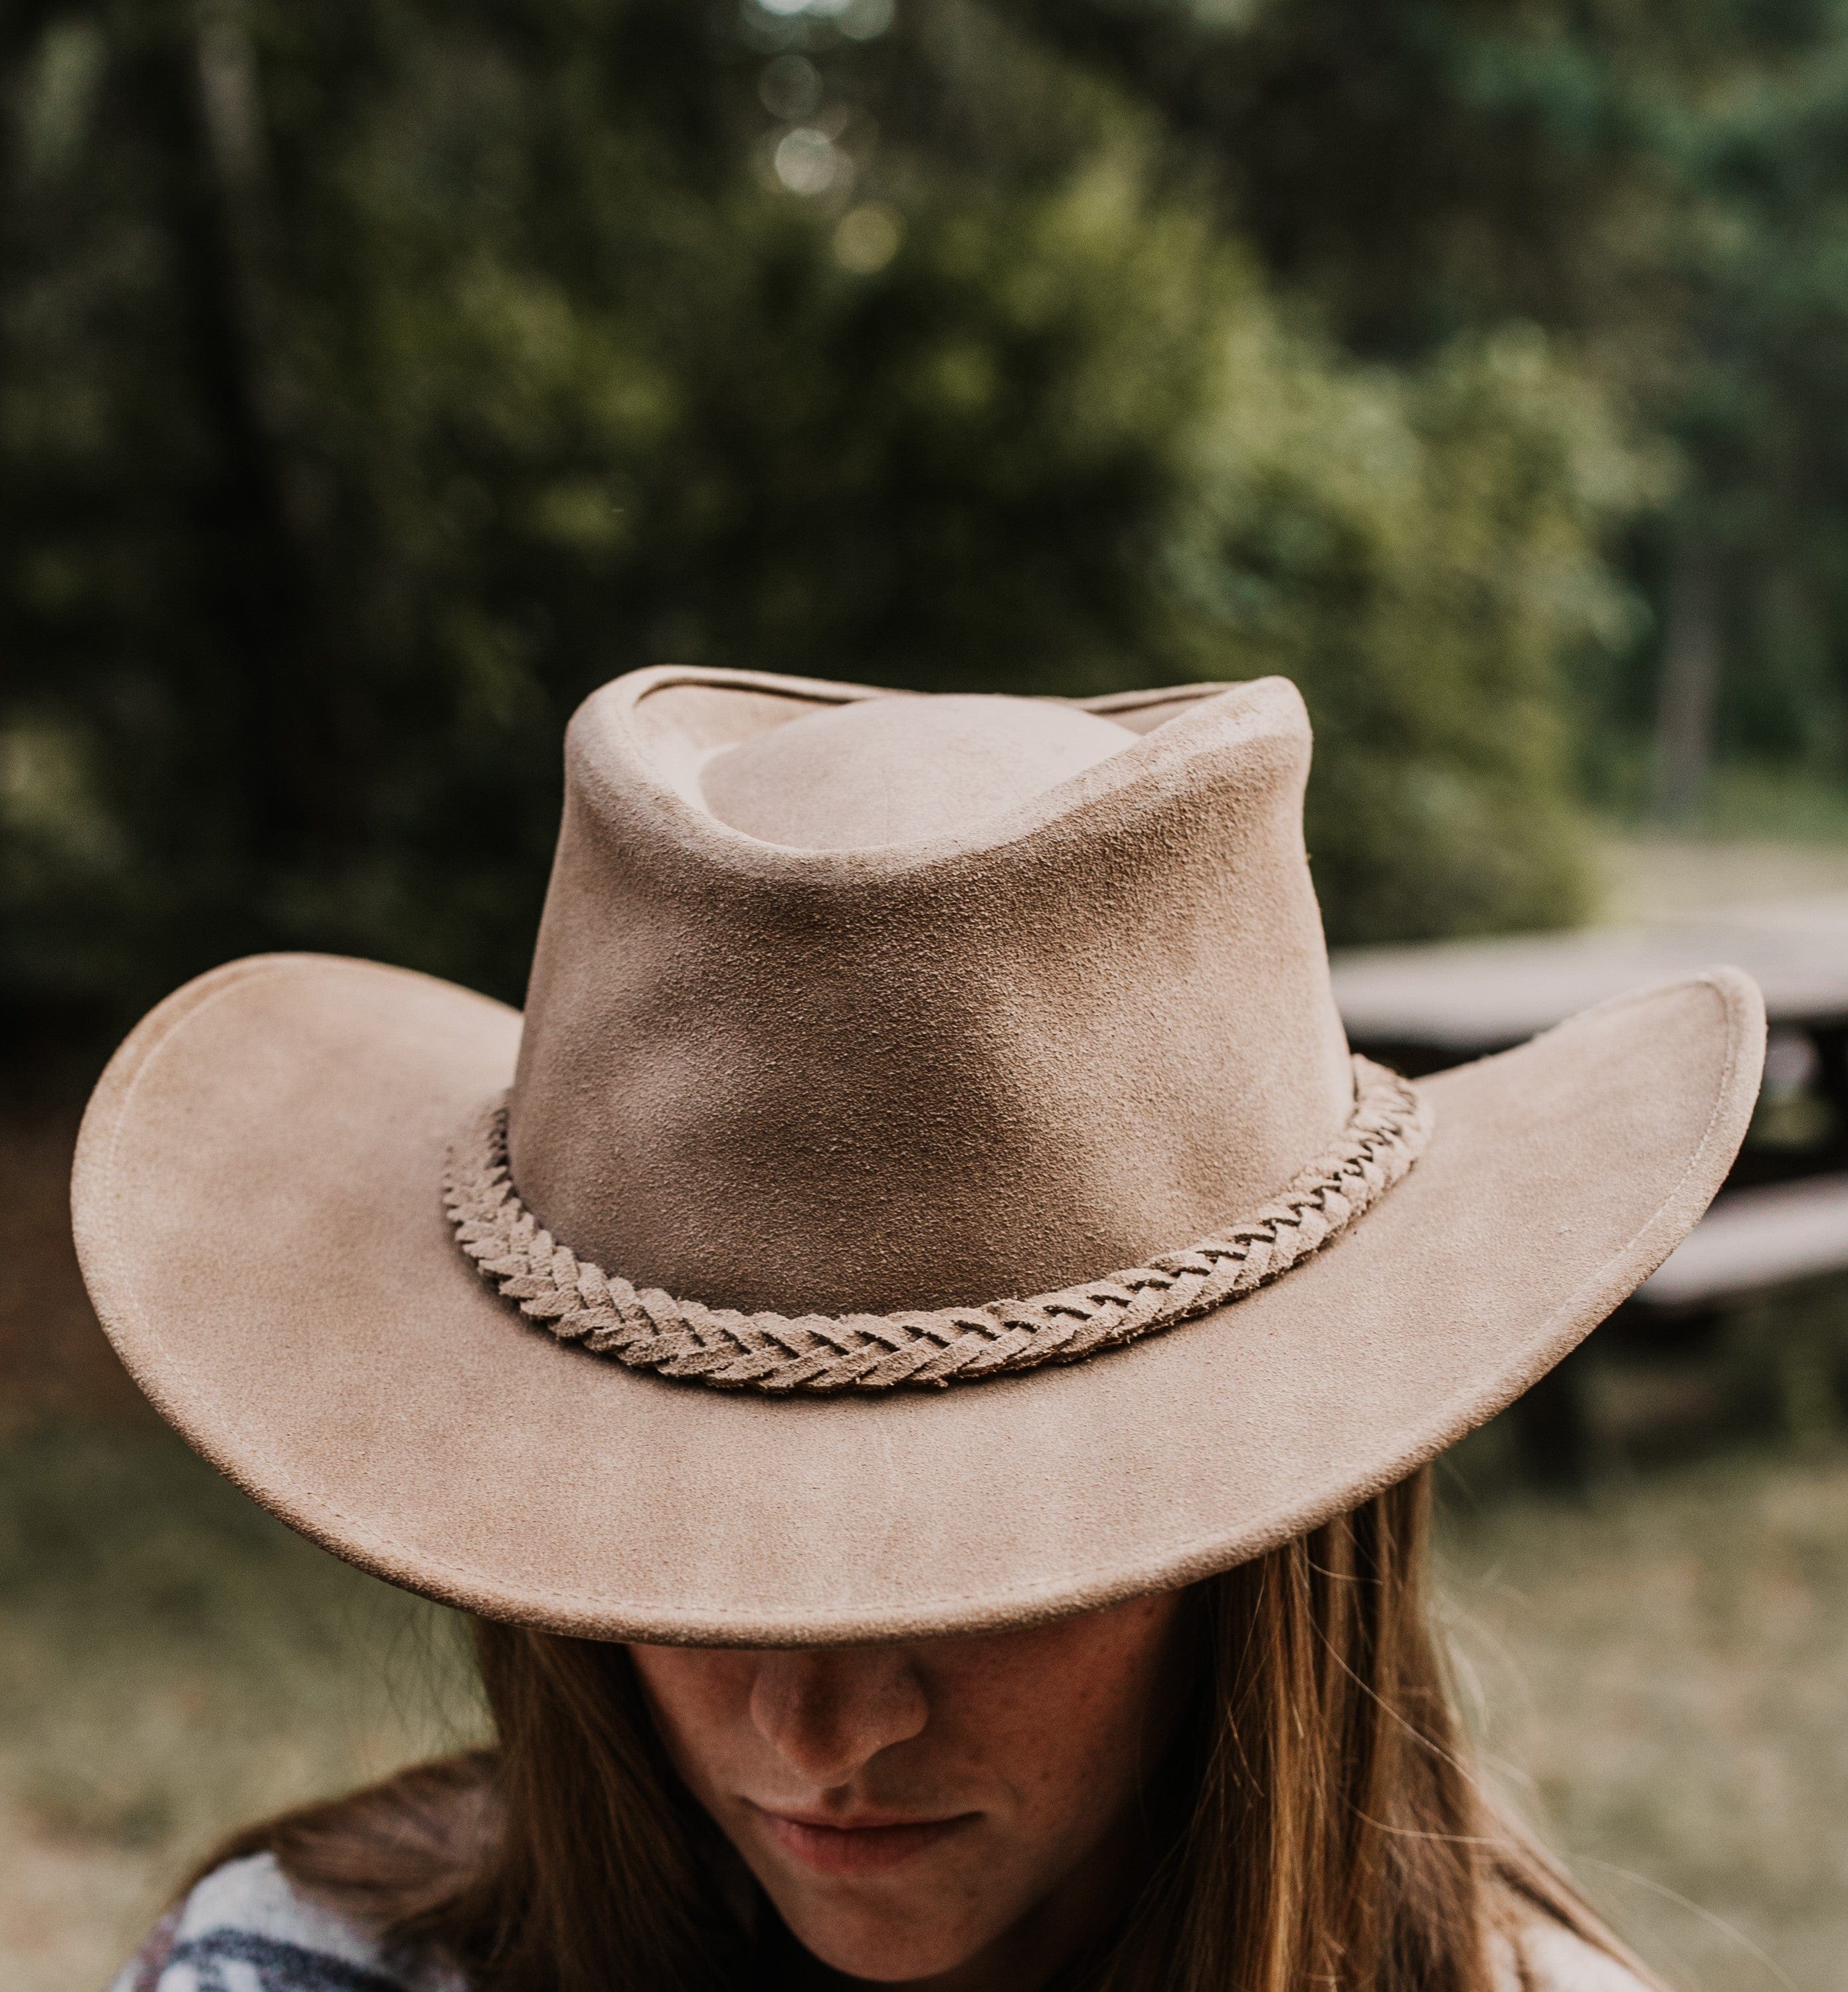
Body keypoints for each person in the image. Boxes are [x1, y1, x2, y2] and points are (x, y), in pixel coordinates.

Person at [81, 667, 1762, 1992]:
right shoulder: (294, 1969)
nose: (822, 1734)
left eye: (988, 1576)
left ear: (1270, 1549)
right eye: (696, 1545)